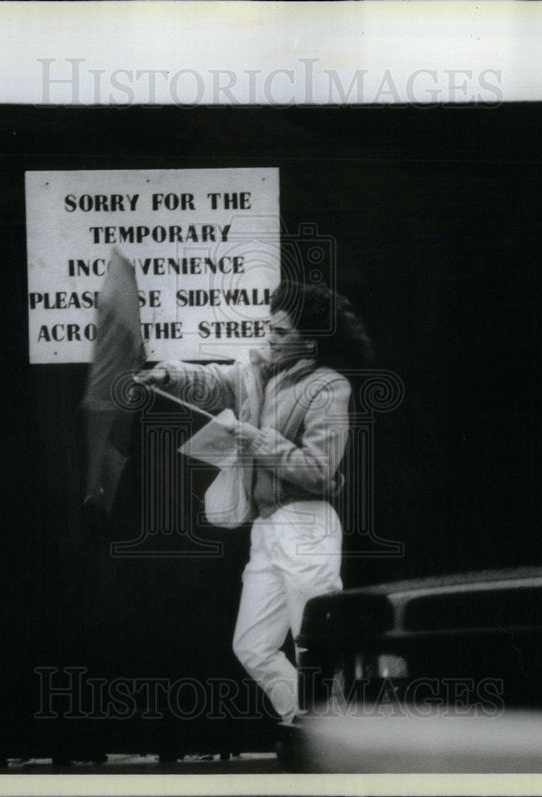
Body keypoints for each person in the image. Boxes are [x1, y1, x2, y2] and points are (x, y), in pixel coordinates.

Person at [136, 280, 373, 724]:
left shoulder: (329, 388)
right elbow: (217, 378)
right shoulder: (260, 373)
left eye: (281, 333)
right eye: (270, 329)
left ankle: (338, 736)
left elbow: (319, 471)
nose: (270, 339)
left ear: (310, 340)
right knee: (252, 645)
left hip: (307, 525)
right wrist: (167, 374)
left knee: (314, 643)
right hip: (266, 526)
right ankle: (309, 722)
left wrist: (255, 438)